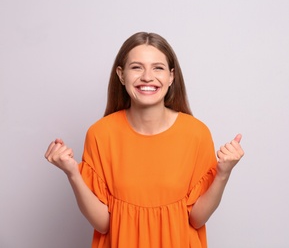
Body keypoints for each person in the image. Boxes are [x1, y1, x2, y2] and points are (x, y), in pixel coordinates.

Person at [44, 32, 244, 248]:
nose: (147, 77)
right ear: (121, 75)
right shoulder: (100, 134)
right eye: (137, 67)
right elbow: (103, 224)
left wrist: (224, 174)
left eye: (158, 67)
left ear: (171, 76)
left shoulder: (197, 134)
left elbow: (197, 219)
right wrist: (72, 173)